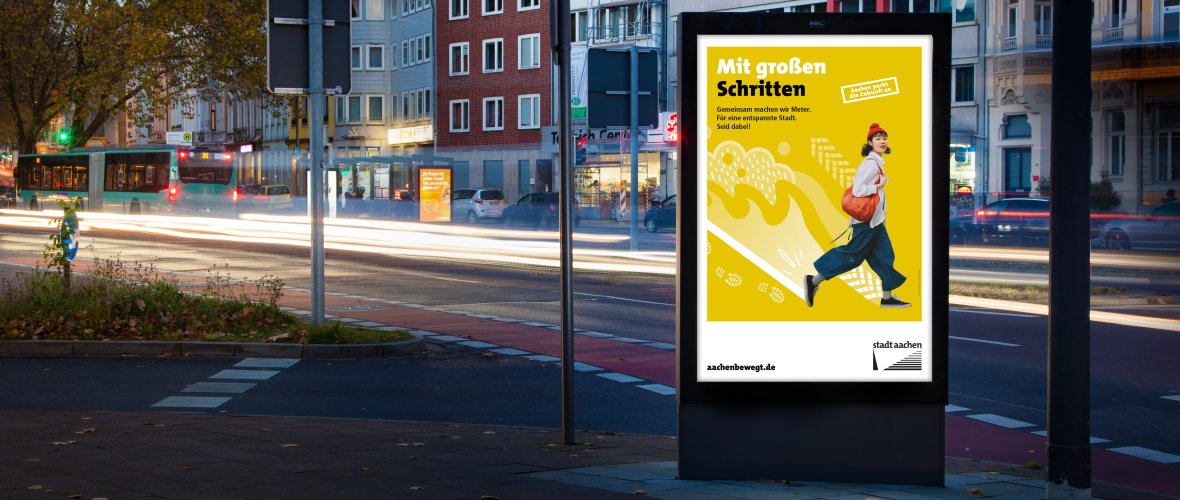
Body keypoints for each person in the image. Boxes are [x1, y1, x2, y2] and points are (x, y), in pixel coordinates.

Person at [805, 123, 910, 309]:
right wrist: (878, 186)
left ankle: (887, 298)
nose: (882, 141)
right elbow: (858, 189)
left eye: (884, 138)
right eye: (877, 138)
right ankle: (813, 281)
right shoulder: (870, 164)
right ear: (869, 143)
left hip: (875, 222)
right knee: (852, 255)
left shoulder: (878, 163)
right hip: (866, 223)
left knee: (885, 256)